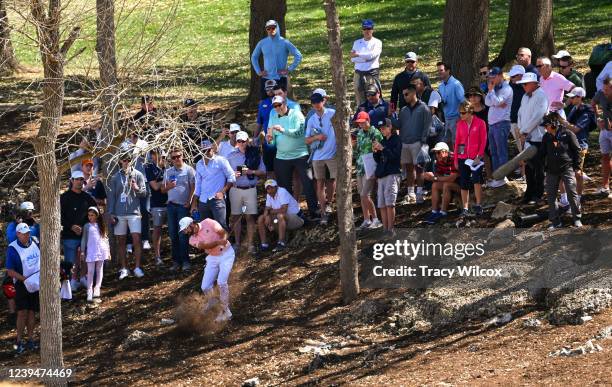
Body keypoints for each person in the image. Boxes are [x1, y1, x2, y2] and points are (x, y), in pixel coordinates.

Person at [266, 95, 319, 218]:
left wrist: (283, 130)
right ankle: (291, 213)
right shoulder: (273, 114)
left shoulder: (297, 114)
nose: (277, 108)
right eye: (275, 106)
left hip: (300, 155)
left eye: (279, 105)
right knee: (284, 189)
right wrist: (269, 140)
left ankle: (314, 212)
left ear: (285, 103)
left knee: (308, 184)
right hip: (281, 156)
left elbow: (299, 133)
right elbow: (272, 139)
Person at [180, 217, 235, 322]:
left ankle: (225, 311)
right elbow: (206, 246)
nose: (185, 232)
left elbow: (223, 232)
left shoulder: (208, 222)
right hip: (212, 258)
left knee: (221, 282)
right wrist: (219, 242)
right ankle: (213, 301)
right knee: (205, 286)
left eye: (186, 229)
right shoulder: (192, 239)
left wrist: (224, 238)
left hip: (227, 254)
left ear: (191, 224)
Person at [107, 153, 148, 279]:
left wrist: (136, 188)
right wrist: (111, 213)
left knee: (136, 239)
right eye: (124, 160)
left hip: (134, 212)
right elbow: (112, 197)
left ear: (132, 161)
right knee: (121, 241)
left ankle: (137, 267)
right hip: (119, 213)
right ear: (120, 161)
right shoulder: (115, 177)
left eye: (128, 160)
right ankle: (124, 268)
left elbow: (144, 193)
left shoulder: (138, 175)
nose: (126, 162)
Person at [539, 113, 583, 228]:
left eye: (546, 125)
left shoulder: (568, 134)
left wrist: (577, 167)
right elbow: (542, 154)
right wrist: (542, 169)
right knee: (551, 196)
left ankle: (576, 218)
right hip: (551, 171)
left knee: (571, 193)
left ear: (554, 124)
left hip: (567, 168)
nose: (545, 128)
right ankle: (555, 221)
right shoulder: (546, 137)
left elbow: (577, 150)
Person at [226, 131, 266, 254]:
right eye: (239, 141)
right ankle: (237, 244)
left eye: (244, 141)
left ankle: (250, 244)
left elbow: (263, 172)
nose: (242, 143)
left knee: (250, 217)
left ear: (248, 140)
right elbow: (226, 174)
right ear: (236, 142)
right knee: (236, 217)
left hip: (250, 188)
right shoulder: (230, 156)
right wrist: (233, 175)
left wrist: (251, 172)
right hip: (235, 188)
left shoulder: (255, 153)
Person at [391, 84, 432, 204]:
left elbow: (427, 125)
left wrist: (423, 141)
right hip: (405, 143)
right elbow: (398, 125)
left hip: (418, 143)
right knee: (409, 169)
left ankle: (419, 193)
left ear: (413, 93)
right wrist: (391, 115)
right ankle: (410, 193)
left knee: (419, 169)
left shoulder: (424, 108)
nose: (404, 97)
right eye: (403, 95)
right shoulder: (403, 110)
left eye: (406, 94)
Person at [6, 223, 40, 354]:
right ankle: (19, 340)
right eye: (24, 233)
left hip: (36, 281)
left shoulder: (35, 242)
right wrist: (25, 280)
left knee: (32, 311)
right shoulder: (12, 248)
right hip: (21, 283)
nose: (27, 235)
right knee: (22, 312)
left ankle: (31, 339)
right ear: (18, 234)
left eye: (28, 232)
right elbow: (10, 271)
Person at [517, 72, 549, 204]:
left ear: (534, 83)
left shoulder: (541, 95)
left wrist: (524, 131)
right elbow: (520, 113)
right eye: (522, 84)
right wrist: (520, 130)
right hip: (526, 137)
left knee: (538, 167)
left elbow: (539, 116)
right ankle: (529, 193)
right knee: (528, 167)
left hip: (538, 137)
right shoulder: (525, 96)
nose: (523, 86)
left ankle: (538, 194)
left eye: (525, 83)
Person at [60, 171, 96, 291]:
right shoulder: (64, 197)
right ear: (72, 181)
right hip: (69, 235)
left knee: (85, 257)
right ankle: (70, 283)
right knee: (70, 261)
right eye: (77, 179)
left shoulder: (87, 198)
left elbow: (95, 213)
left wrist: (86, 227)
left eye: (81, 179)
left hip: (85, 234)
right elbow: (59, 216)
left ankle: (83, 278)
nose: (79, 182)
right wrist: (71, 226)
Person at [305, 91, 337, 226]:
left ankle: (331, 203)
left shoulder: (332, 113)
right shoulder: (311, 119)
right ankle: (323, 212)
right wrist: (317, 137)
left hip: (332, 154)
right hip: (317, 156)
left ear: (323, 101)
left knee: (334, 180)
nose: (316, 105)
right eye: (313, 102)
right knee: (319, 183)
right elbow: (306, 140)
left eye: (318, 101)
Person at [250, 19, 302, 99]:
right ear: (266, 30)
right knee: (265, 103)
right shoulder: (262, 43)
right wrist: (258, 71)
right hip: (266, 78)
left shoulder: (285, 42)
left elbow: (298, 55)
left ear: (277, 28)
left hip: (280, 78)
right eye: (268, 28)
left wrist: (289, 69)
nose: (271, 30)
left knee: (280, 103)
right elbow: (254, 57)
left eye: (273, 28)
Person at [164, 148, 196, 271]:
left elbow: (194, 187)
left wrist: (190, 201)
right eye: (174, 157)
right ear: (171, 160)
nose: (176, 159)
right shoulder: (168, 171)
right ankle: (176, 262)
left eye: (178, 156)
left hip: (183, 206)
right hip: (171, 206)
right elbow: (162, 189)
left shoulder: (189, 170)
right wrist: (168, 187)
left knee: (183, 234)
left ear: (183, 156)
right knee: (173, 234)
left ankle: (185, 261)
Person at [192, 140, 235, 230]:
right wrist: (194, 202)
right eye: (204, 151)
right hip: (203, 201)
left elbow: (231, 176)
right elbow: (198, 185)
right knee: (205, 229)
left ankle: (225, 244)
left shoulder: (221, 160)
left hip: (217, 200)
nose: (207, 152)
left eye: (208, 149)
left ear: (212, 148)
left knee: (220, 228)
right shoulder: (199, 164)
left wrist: (222, 192)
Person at [563, 87, 597, 203]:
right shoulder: (574, 109)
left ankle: (578, 198)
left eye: (573, 97)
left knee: (577, 173)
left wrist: (562, 122)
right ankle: (568, 198)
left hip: (580, 145)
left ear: (580, 97)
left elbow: (576, 129)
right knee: (569, 172)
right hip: (570, 144)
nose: (571, 99)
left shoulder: (586, 111)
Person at [454, 101, 487, 216]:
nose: (461, 115)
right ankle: (465, 208)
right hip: (463, 158)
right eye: (460, 113)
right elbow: (457, 142)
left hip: (476, 158)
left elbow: (483, 141)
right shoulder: (459, 124)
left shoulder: (480, 123)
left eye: (463, 113)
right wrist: (456, 159)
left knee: (477, 181)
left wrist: (479, 156)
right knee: (464, 182)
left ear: (470, 112)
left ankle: (478, 205)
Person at [484, 67, 513, 187]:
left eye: (493, 76)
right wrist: (494, 99)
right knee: (494, 152)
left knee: (501, 151)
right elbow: (487, 102)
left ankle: (502, 177)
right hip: (492, 124)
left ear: (500, 75)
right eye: (490, 77)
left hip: (502, 123)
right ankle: (497, 176)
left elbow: (496, 102)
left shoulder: (507, 89)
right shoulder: (494, 88)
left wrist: (491, 94)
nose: (491, 79)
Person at [353, 111, 383, 229]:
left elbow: (379, 150)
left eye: (362, 122)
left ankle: (376, 219)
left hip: (370, 166)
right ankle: (367, 219)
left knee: (366, 194)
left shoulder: (375, 132)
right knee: (361, 195)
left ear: (368, 120)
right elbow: (358, 151)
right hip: (360, 167)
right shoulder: (359, 133)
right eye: (359, 123)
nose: (360, 125)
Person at [257, 179, 304, 252]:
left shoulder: (282, 191)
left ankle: (281, 242)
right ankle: (264, 244)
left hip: (297, 219)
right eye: (268, 188)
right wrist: (267, 216)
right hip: (284, 219)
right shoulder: (269, 195)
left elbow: (283, 210)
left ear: (276, 187)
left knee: (280, 215)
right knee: (261, 218)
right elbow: (267, 209)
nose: (270, 190)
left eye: (272, 187)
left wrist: (269, 213)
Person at [373, 118, 401, 236]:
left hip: (392, 173)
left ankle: (391, 229)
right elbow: (378, 160)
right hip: (382, 174)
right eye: (381, 129)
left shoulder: (397, 140)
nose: (382, 130)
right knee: (382, 204)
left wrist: (383, 149)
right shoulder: (383, 141)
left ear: (390, 127)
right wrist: (376, 152)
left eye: (384, 128)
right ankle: (385, 229)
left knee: (390, 203)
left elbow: (395, 157)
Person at [424, 142, 460, 224]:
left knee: (446, 185)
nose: (436, 155)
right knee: (435, 185)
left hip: (462, 186)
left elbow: (452, 178)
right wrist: (431, 177)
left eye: (438, 152)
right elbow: (438, 176)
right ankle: (434, 211)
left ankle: (443, 212)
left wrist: (435, 178)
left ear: (445, 152)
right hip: (451, 184)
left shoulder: (454, 158)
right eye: (436, 153)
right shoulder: (439, 161)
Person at [79, 207, 110, 303]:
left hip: (101, 249)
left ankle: (97, 288)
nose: (90, 217)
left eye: (92, 215)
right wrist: (83, 251)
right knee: (90, 271)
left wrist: (108, 252)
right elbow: (84, 239)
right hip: (91, 251)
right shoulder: (87, 226)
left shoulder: (101, 225)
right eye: (89, 215)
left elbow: (105, 239)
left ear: (97, 216)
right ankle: (89, 290)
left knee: (99, 269)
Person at [351, 19, 382, 107]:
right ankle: (361, 114)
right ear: (362, 30)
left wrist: (358, 55)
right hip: (358, 73)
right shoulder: (357, 43)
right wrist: (365, 59)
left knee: (372, 95)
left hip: (371, 73)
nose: (367, 31)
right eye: (365, 29)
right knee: (359, 97)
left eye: (369, 29)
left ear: (372, 30)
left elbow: (372, 56)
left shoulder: (377, 42)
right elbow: (352, 59)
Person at [144, 148, 168, 266]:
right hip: (157, 203)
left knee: (173, 229)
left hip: (170, 202)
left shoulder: (166, 166)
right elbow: (155, 187)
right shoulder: (149, 167)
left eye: (162, 155)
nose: (160, 157)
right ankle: (157, 256)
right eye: (157, 154)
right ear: (152, 155)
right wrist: (166, 183)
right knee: (157, 229)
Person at [465, 86, 492, 182]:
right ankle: (478, 180)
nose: (473, 98)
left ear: (480, 97)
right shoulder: (468, 111)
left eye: (475, 95)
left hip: (488, 136)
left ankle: (490, 178)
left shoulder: (487, 109)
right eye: (470, 96)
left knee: (487, 156)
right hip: (473, 138)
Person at [437, 61, 465, 147]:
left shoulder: (456, 84)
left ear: (448, 71)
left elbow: (463, 101)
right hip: (446, 118)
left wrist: (462, 118)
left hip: (456, 118)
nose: (439, 73)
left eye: (441, 70)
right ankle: (453, 160)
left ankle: (460, 160)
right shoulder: (441, 86)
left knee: (458, 144)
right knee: (447, 145)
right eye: (438, 71)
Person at [591, 76, 612, 194]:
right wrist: (598, 118)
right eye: (603, 89)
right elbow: (593, 103)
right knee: (605, 157)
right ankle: (605, 186)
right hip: (605, 132)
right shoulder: (601, 93)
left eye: (607, 90)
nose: (604, 92)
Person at [256, 79, 278, 177]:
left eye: (272, 88)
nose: (270, 91)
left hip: (280, 139)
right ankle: (271, 188)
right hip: (267, 140)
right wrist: (255, 137)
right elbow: (259, 122)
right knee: (269, 167)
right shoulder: (262, 103)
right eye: (267, 89)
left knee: (280, 167)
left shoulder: (281, 102)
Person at [509, 65, 527, 165]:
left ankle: (527, 171)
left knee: (527, 147)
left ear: (521, 75)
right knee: (521, 147)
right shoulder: (510, 85)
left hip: (526, 121)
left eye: (514, 76)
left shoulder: (527, 87)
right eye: (511, 76)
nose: (511, 78)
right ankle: (524, 172)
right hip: (514, 121)